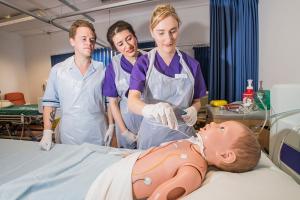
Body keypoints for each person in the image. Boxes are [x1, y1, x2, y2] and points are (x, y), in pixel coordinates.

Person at [85, 121, 261, 200]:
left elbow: (161, 196)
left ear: (226, 156)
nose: (214, 123)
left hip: (119, 185)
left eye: (222, 128)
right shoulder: (191, 145)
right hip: (124, 167)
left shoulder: (193, 169)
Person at [128, 4, 207, 149]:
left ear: (178, 29)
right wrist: (150, 109)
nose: (168, 38)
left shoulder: (192, 65)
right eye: (161, 32)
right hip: (152, 137)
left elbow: (197, 100)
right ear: (152, 32)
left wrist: (194, 110)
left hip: (183, 136)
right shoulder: (143, 63)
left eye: (173, 31)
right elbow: (132, 101)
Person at [40, 20, 110, 150]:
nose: (89, 43)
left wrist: (113, 127)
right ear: (72, 41)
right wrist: (47, 132)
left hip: (98, 134)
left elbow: (109, 104)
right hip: (69, 136)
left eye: (92, 39)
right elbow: (50, 103)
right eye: (84, 39)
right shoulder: (58, 70)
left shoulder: (102, 70)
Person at [103, 20, 146, 149]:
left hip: (150, 123)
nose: (127, 46)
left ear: (135, 36)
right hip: (127, 125)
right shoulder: (113, 67)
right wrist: (124, 131)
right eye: (120, 44)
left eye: (129, 38)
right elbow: (113, 103)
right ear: (115, 48)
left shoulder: (150, 59)